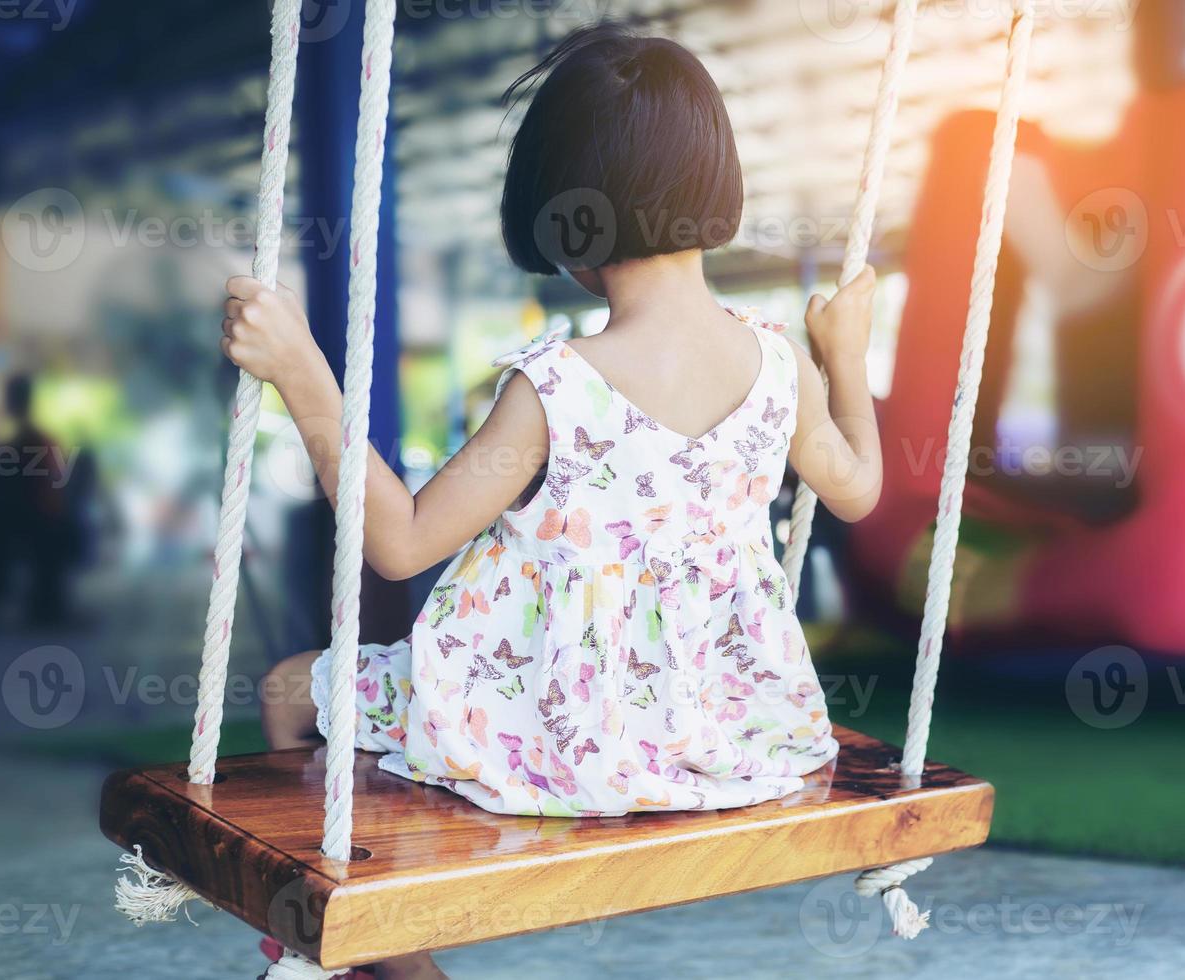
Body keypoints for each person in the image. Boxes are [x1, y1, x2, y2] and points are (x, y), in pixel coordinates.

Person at [223, 25, 880, 976]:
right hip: (732, 731)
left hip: (557, 734)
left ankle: (379, 951)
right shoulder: (782, 367)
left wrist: (303, 375)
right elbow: (857, 489)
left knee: (293, 691)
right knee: (370, 714)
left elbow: (402, 542)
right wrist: (847, 357)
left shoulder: (558, 387)